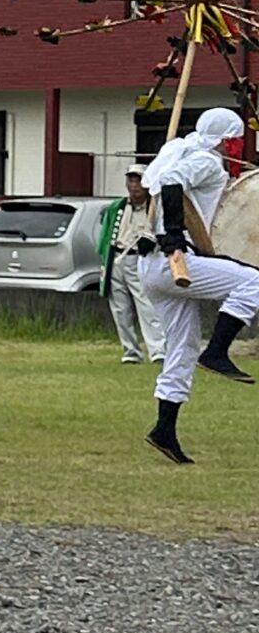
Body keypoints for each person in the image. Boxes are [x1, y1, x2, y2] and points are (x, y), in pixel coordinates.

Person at [139, 107, 259, 465]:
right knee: (254, 282)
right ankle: (218, 351)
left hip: (152, 266)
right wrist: (175, 235)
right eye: (234, 141)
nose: (236, 148)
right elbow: (171, 182)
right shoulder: (204, 161)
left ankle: (164, 430)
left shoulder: (179, 150)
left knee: (181, 347)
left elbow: (161, 181)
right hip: (173, 260)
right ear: (223, 139)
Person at [105, 165, 164, 366]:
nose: (134, 186)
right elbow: (106, 235)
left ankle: (158, 350)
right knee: (120, 309)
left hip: (141, 259)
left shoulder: (155, 207)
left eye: (138, 181)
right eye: (130, 180)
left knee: (147, 306)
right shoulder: (118, 206)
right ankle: (130, 351)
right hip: (118, 258)